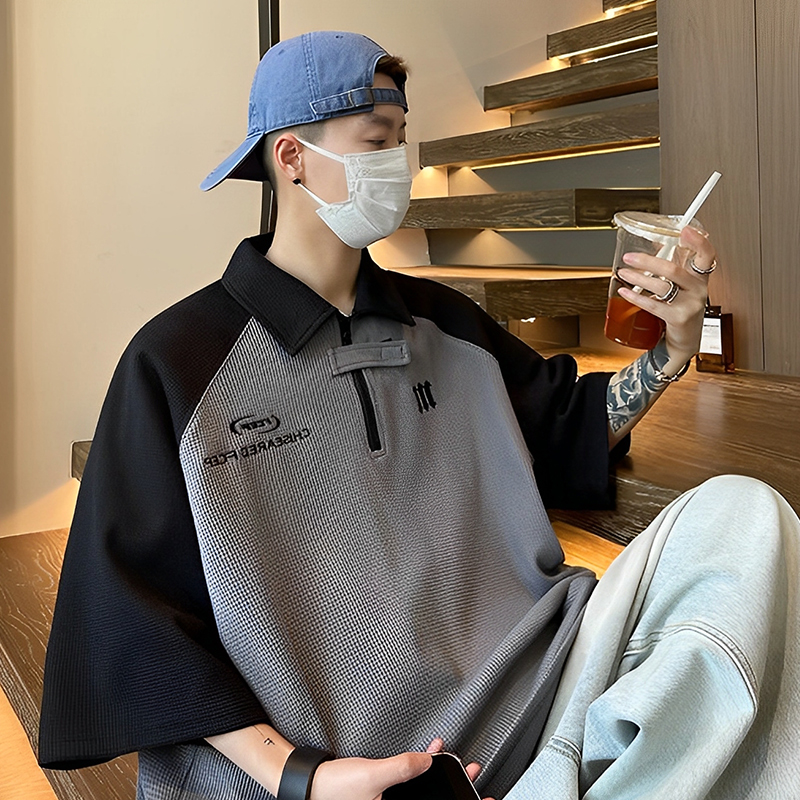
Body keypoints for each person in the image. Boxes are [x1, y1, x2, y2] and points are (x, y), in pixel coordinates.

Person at [38, 30, 800, 800]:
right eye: (376, 142)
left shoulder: (448, 323)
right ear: (291, 157)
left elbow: (569, 425)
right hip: (354, 769)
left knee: (747, 517)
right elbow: (131, 619)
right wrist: (302, 777)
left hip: (541, 696)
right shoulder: (176, 363)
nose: (397, 165)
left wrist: (671, 350)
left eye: (401, 141)